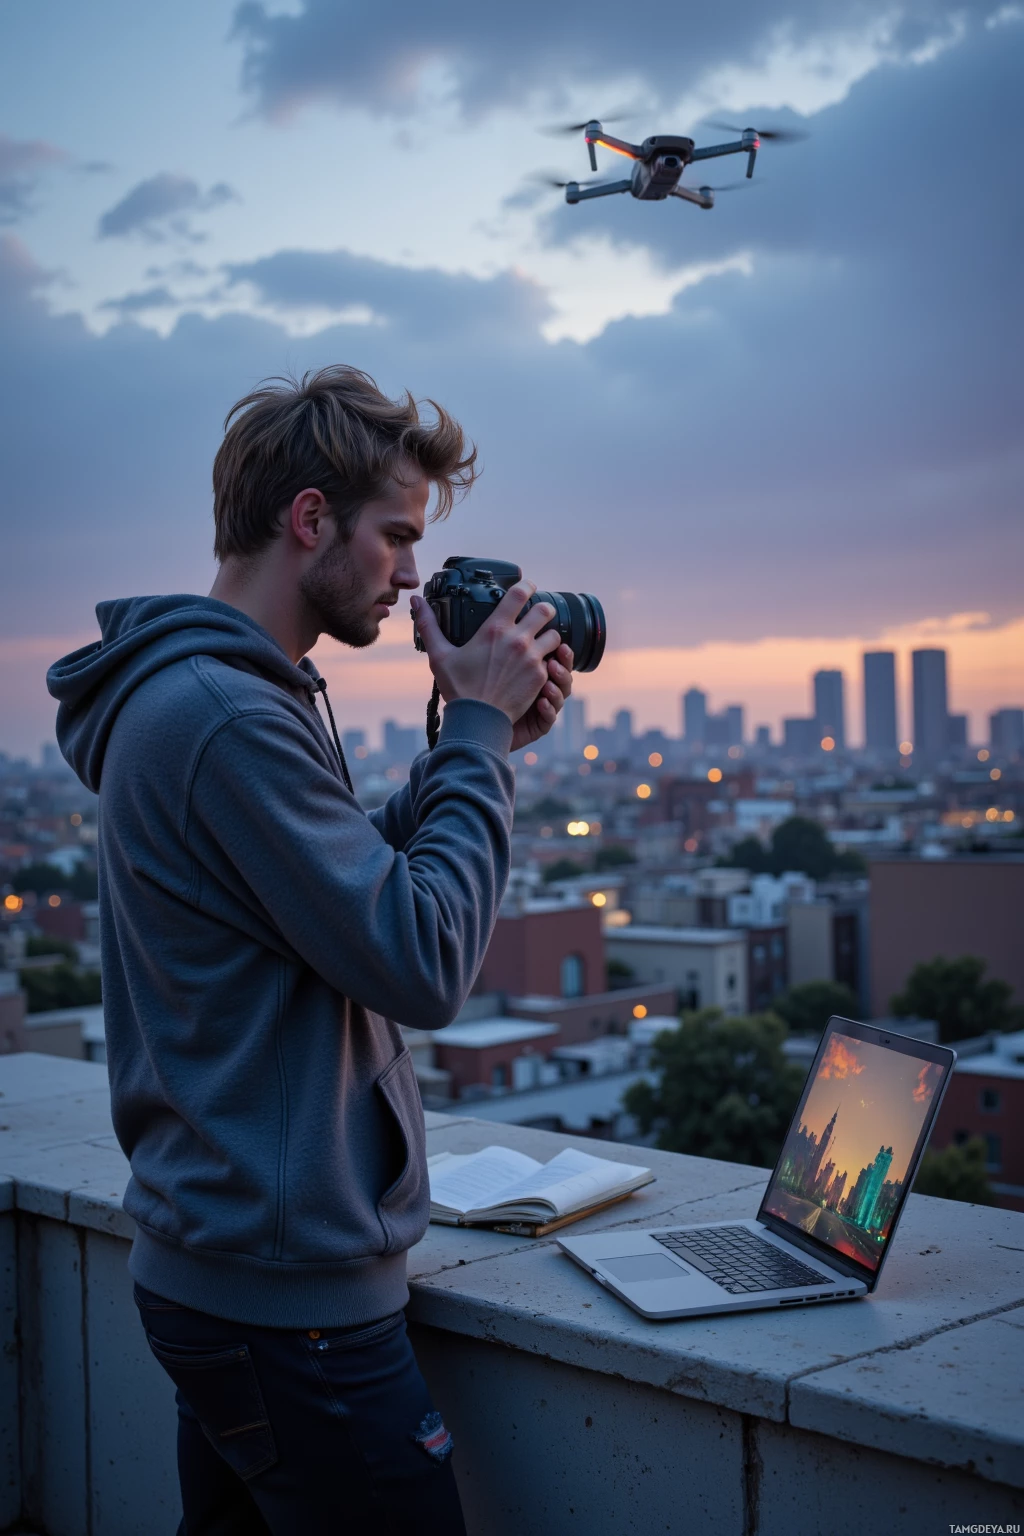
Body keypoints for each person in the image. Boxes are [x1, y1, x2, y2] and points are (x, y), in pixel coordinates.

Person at [46, 365, 573, 1535]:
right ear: (308, 519)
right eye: (396, 535)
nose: (412, 575)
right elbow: (420, 959)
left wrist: (470, 754)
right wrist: (477, 732)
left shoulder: (223, 696)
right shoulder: (225, 712)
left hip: (235, 1270)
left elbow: (332, 888)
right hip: (287, 1307)